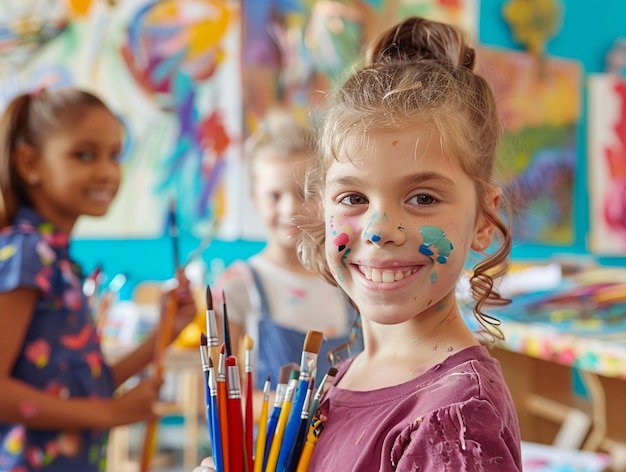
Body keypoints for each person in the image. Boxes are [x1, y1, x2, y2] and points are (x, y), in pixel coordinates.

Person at [195, 14, 522, 471]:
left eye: (423, 197)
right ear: (322, 206)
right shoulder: (348, 372)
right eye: (353, 197)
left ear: (485, 219)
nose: (378, 229)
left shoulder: (455, 422)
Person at [0, 87, 197, 472]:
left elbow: (82, 383)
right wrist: (111, 413)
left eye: (115, 156)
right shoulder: (26, 254)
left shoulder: (57, 262)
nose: (107, 171)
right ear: (28, 164)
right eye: (84, 155)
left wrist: (162, 335)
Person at [213, 107, 360, 394]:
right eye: (274, 196)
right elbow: (226, 400)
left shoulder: (350, 276)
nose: (290, 209)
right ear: (255, 199)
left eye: (305, 193)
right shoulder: (236, 287)